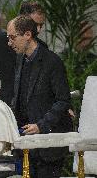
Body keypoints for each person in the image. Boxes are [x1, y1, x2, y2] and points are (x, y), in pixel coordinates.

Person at [7, 15, 72, 178]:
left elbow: (63, 100)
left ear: (28, 35)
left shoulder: (52, 61)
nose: (9, 43)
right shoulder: (20, 60)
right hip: (27, 145)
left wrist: (41, 125)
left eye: (12, 37)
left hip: (49, 147)